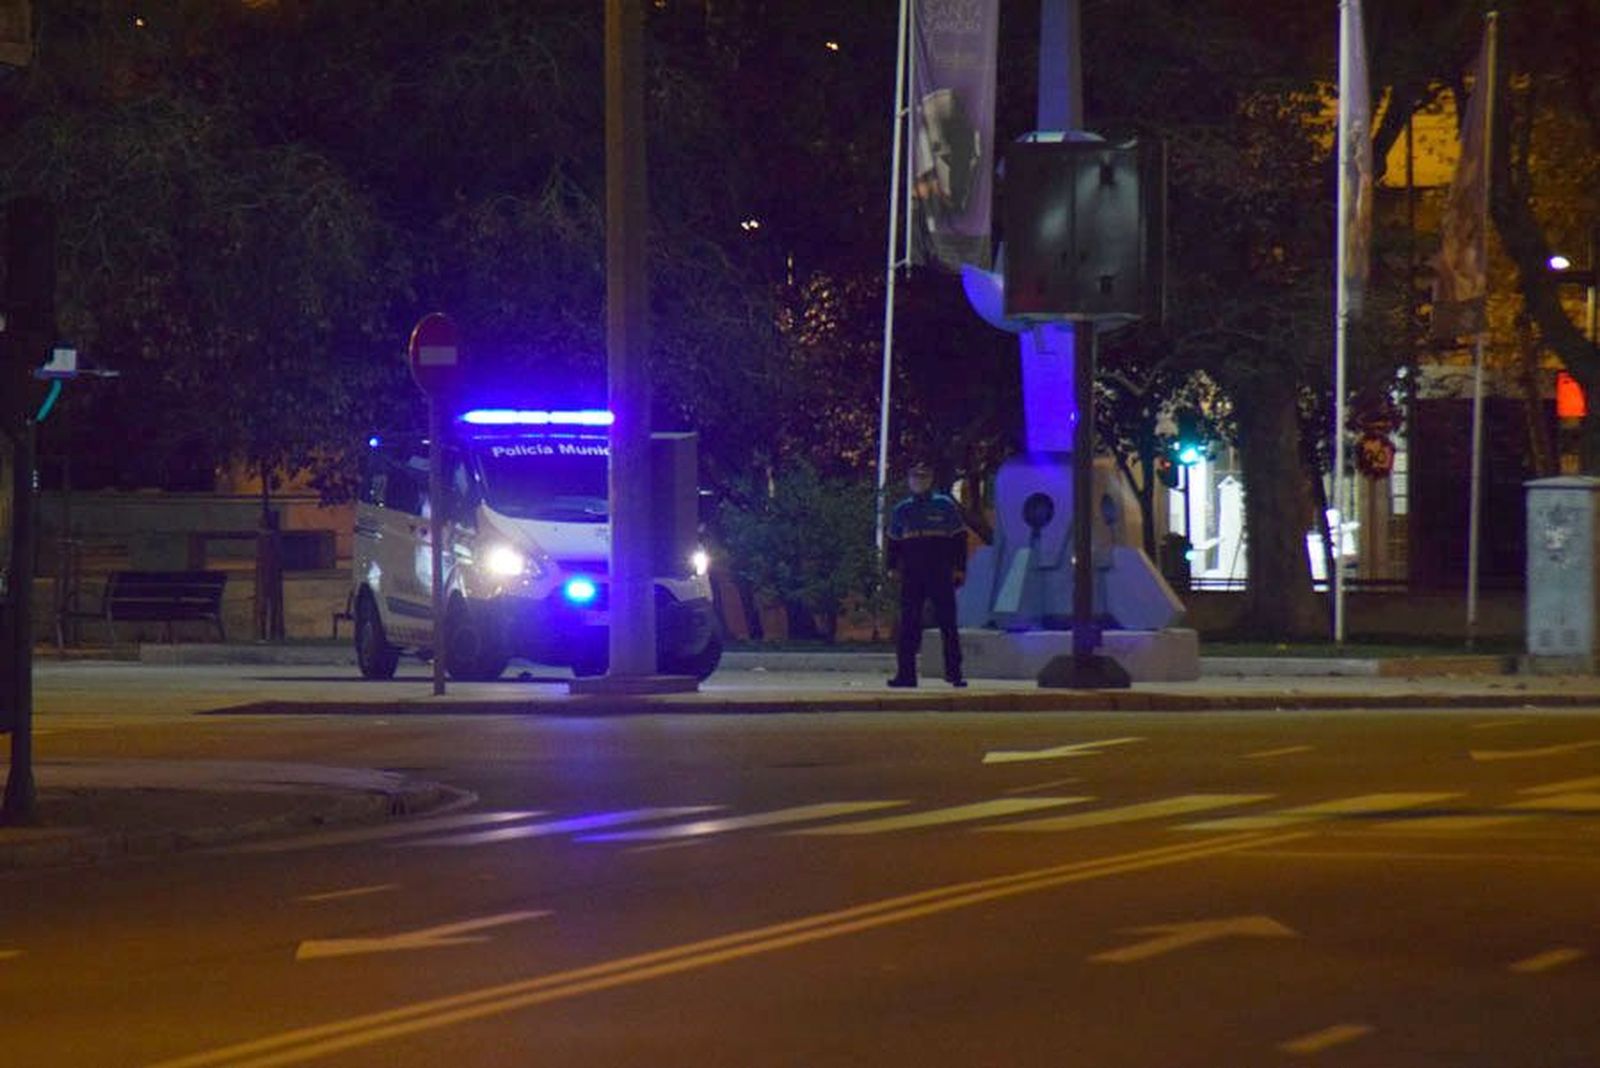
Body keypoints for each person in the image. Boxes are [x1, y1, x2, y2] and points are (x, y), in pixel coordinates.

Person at [885, 460, 967, 688]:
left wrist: (960, 568)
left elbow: (959, 540)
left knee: (947, 623)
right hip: (912, 573)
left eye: (923, 477)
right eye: (914, 477)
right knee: (908, 624)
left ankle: (954, 673)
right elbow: (894, 542)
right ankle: (906, 675)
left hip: (940, 571)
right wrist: (891, 567)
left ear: (930, 480)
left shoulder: (945, 506)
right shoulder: (902, 510)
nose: (918, 481)